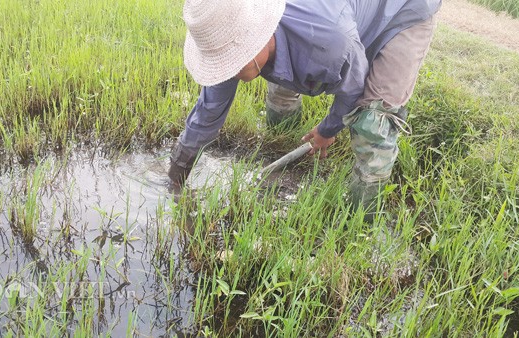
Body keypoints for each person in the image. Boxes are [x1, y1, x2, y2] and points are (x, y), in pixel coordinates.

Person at [169, 0, 441, 219]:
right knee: (281, 89)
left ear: (258, 36)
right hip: (334, 23)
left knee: (372, 122)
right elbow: (208, 111)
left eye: (234, 59)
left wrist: (327, 129)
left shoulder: (330, 40)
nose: (229, 69)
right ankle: (281, 144)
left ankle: (360, 222)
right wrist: (178, 170)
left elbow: (354, 85)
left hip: (400, 12)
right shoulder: (228, 28)